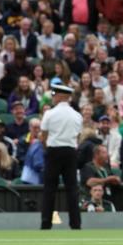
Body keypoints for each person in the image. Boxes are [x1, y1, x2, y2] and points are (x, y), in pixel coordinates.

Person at [39, 80, 83, 229]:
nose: (53, 97)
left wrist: (47, 148)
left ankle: (46, 223)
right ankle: (75, 224)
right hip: (71, 151)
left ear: (59, 96)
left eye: (54, 95)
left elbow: (43, 136)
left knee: (49, 189)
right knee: (72, 188)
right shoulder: (77, 116)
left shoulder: (49, 114)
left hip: (54, 151)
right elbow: (78, 137)